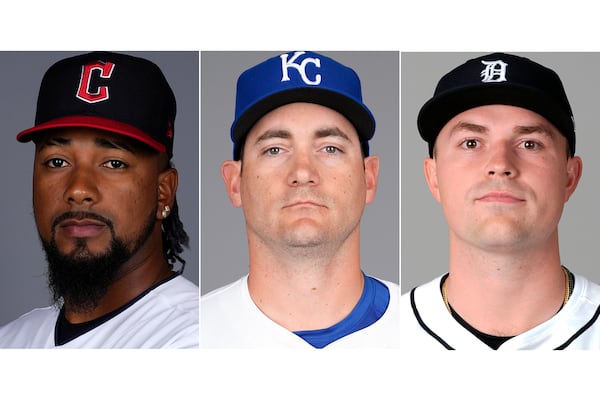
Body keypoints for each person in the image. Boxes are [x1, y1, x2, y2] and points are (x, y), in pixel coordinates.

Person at [400, 52, 600, 350]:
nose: (500, 164)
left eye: (530, 143)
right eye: (471, 143)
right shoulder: (384, 338)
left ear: (570, 177)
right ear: (434, 177)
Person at [200, 51, 400, 348]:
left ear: (369, 177)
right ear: (234, 184)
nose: (303, 172)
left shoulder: (424, 334)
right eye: (275, 149)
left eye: (330, 148)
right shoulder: (191, 336)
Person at [0, 51, 199, 348]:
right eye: (57, 161)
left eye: (113, 163)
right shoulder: (11, 340)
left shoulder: (196, 338)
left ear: (163, 191)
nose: (78, 189)